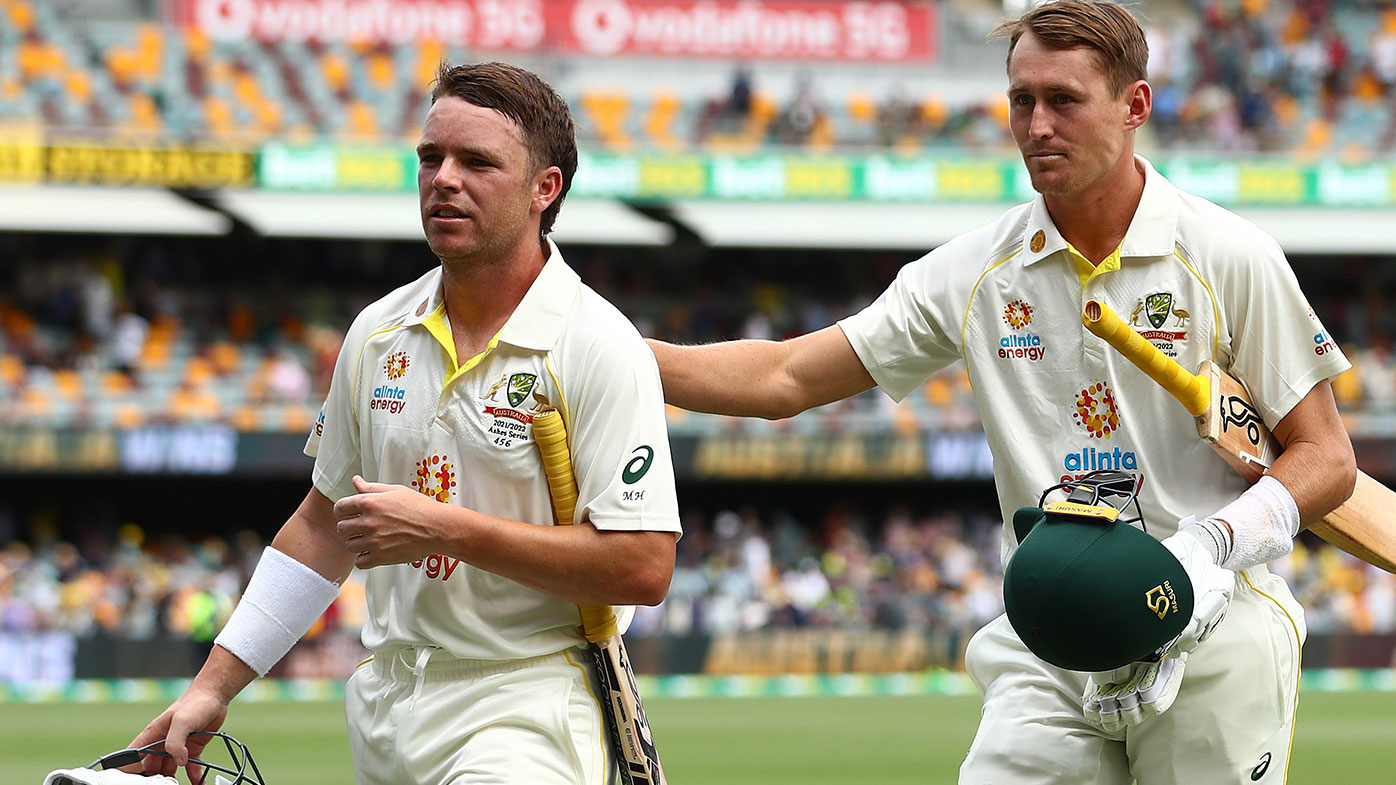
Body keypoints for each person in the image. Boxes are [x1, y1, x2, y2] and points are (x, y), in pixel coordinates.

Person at [647, 2, 1356, 783]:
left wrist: (1206, 549)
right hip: (1052, 630)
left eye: (1064, 100)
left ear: (1135, 106)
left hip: (1217, 625)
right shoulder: (976, 269)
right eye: (1022, 100)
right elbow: (786, 377)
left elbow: (1326, 458)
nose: (1037, 125)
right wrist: (613, 356)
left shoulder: (1229, 255)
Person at [131, 61, 681, 785]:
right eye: (431, 157)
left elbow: (642, 565)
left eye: (477, 161)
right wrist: (214, 684)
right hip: (387, 704)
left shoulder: (598, 343)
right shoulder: (377, 329)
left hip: (527, 705)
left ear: (544, 188)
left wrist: (445, 527)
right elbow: (326, 524)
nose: (444, 178)